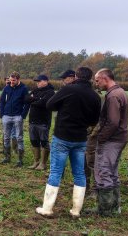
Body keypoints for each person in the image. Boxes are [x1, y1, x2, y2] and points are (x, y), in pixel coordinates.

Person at [35, 67, 101, 218]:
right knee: (79, 174)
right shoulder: (95, 96)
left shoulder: (68, 90)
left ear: (76, 76)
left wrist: (63, 106)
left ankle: (47, 208)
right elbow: (93, 120)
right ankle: (76, 211)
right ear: (90, 78)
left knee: (56, 172)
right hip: (80, 139)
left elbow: (50, 105)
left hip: (62, 137)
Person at [89, 68, 128, 216]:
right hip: (120, 138)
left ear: (105, 78)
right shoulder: (120, 92)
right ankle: (114, 208)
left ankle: (105, 210)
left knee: (104, 171)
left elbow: (112, 122)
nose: (96, 83)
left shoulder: (113, 96)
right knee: (112, 172)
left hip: (112, 140)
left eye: (97, 80)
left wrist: (101, 138)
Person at [0, 72, 30, 167]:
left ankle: (20, 160)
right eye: (10, 80)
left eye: (13, 81)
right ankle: (7, 157)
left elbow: (27, 103)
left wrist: (22, 115)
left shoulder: (24, 88)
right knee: (6, 137)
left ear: (18, 79)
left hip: (17, 116)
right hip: (6, 116)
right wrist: (2, 114)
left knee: (19, 137)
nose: (11, 82)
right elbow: (1, 101)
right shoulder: (7, 88)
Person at [24, 74, 55, 170]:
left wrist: (33, 99)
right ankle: (36, 161)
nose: (37, 83)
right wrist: (36, 99)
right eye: (37, 81)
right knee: (34, 141)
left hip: (43, 122)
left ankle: (43, 163)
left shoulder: (50, 92)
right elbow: (26, 99)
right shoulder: (36, 90)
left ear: (46, 81)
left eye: (39, 81)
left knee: (44, 142)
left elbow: (44, 103)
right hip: (32, 121)